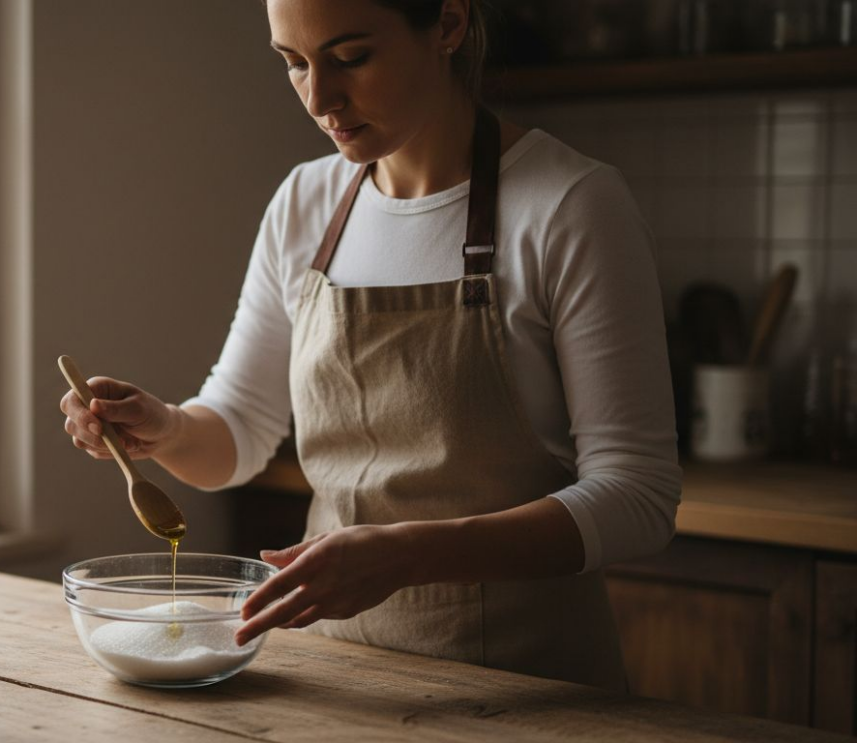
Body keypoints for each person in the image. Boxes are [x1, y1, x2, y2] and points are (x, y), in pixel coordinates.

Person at [58, 0, 680, 692]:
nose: (319, 98)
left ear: (447, 24)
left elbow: (638, 497)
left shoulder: (571, 206)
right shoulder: (305, 202)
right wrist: (165, 429)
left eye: (350, 57)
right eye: (293, 63)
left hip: (525, 686)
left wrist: (409, 554)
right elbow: (238, 430)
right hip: (338, 678)